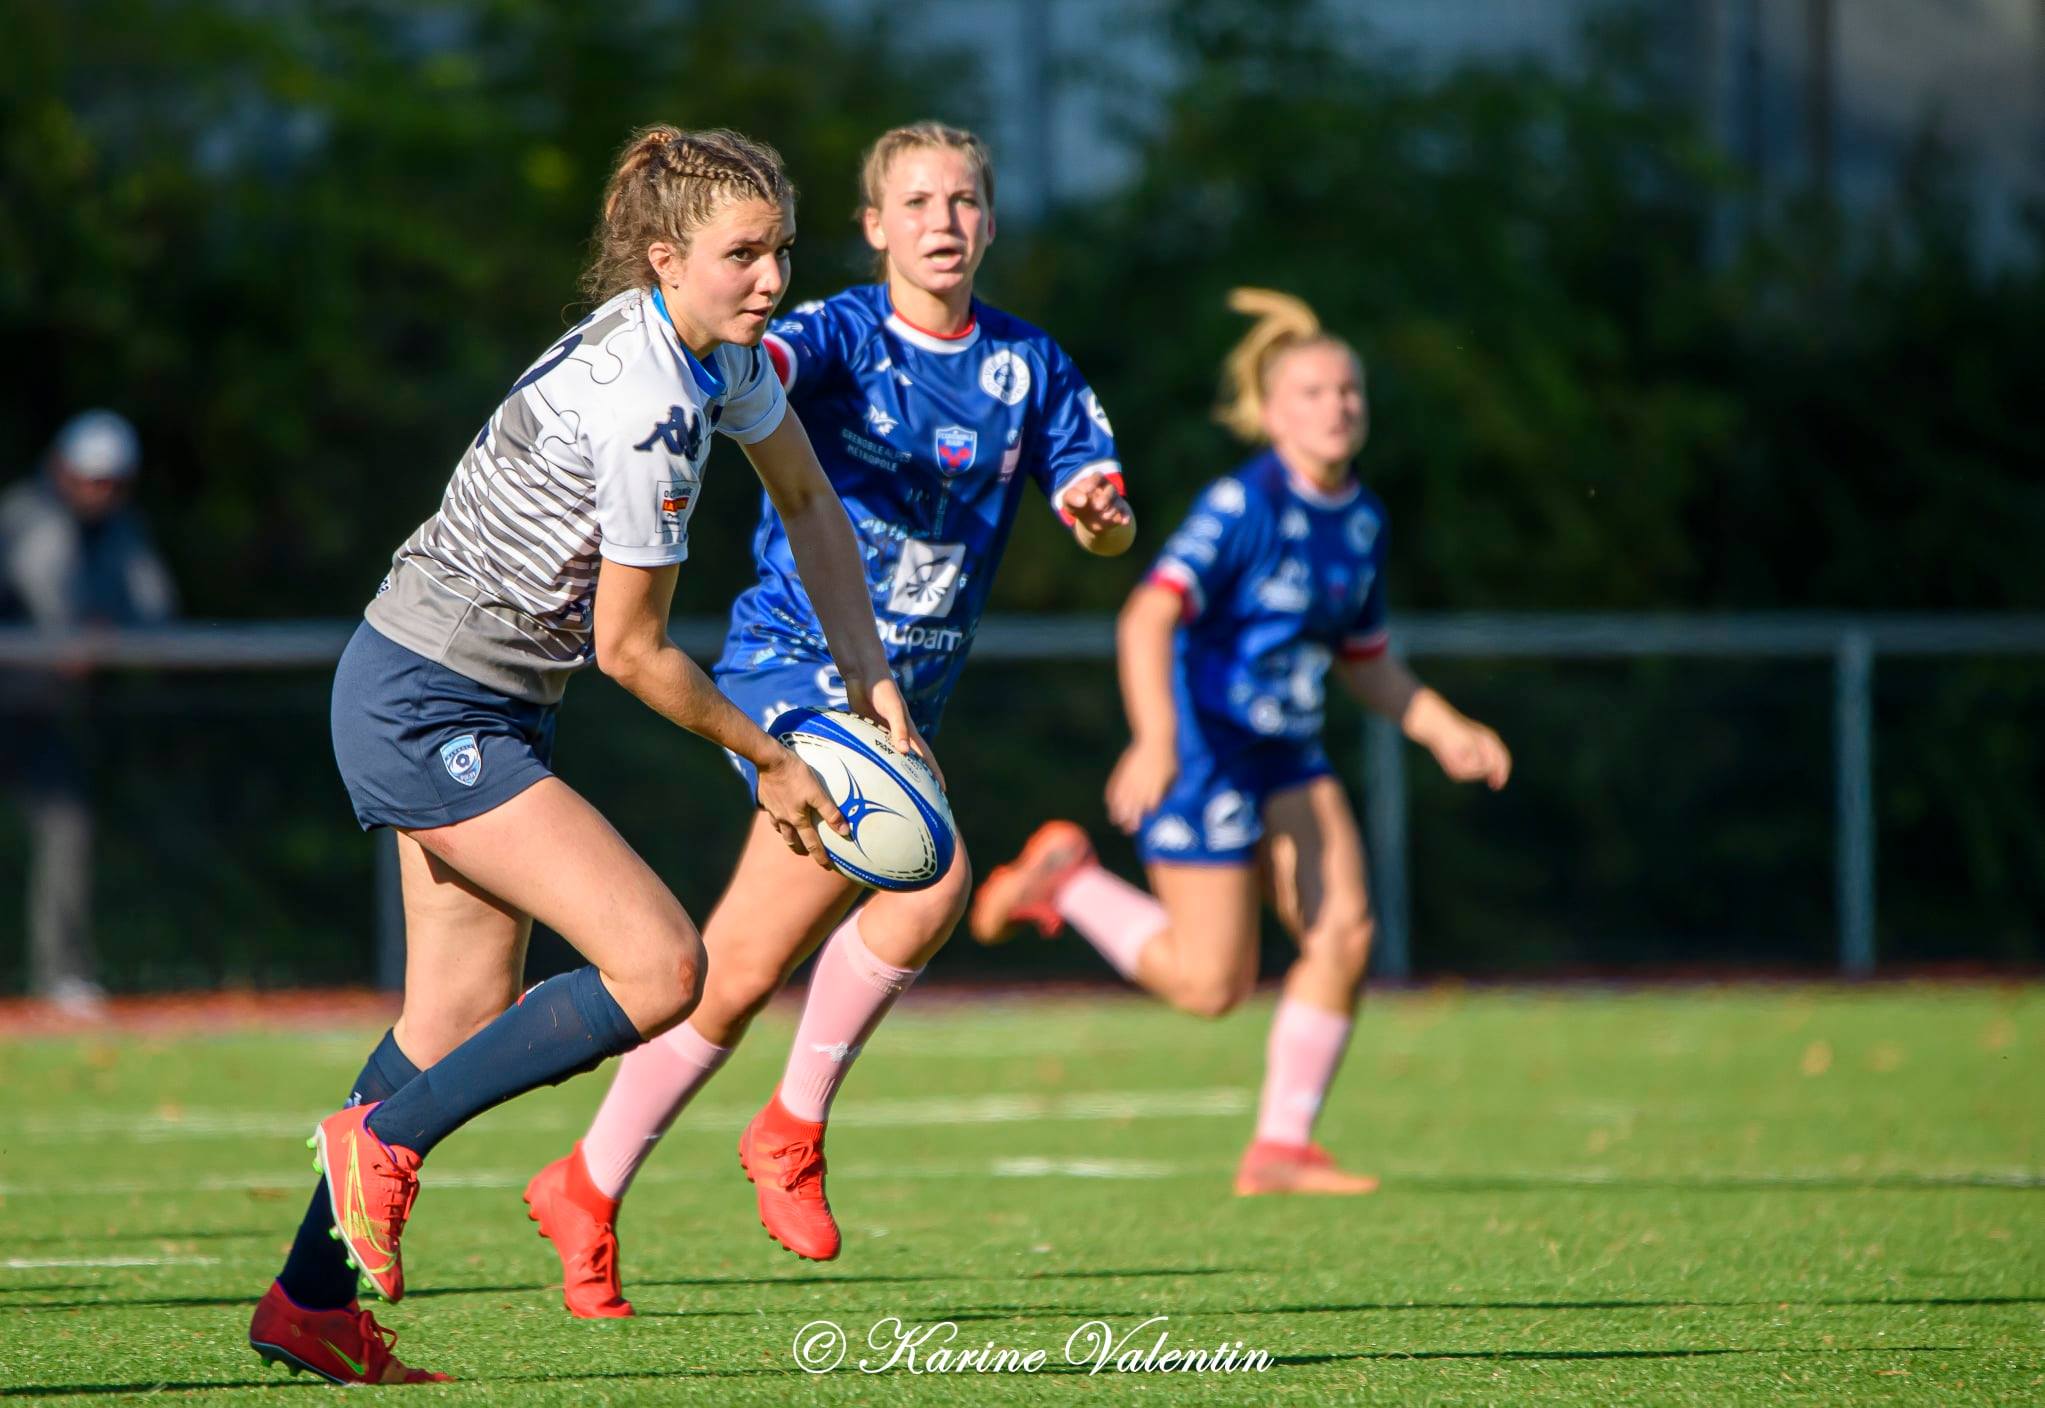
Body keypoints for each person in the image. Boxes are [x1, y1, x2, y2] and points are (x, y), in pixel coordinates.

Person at [246, 124, 922, 1386]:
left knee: (452, 1019)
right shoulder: (650, 403)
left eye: (781, 248)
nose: (770, 276)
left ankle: (308, 1301)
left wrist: (868, 669)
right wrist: (773, 758)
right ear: (665, 258)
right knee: (663, 965)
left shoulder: (715, 358)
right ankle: (378, 1144)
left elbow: (810, 500)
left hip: (480, 697)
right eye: (741, 254)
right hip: (425, 699)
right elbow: (632, 650)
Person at [521, 121, 1135, 1317]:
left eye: (962, 200)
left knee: (736, 969)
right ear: (873, 227)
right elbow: (747, 374)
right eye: (915, 202)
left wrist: (1102, 516)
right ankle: (789, 1129)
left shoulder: (1029, 364)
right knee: (932, 874)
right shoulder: (838, 334)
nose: (942, 221)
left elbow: (1091, 495)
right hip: (792, 665)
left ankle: (584, 1185)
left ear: (989, 222)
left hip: (903, 682)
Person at [973, 288, 1511, 1196]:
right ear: (1269, 413)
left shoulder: (1362, 519)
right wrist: (1155, 739)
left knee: (1344, 928)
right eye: (1311, 392)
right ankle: (1070, 883)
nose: (1336, 406)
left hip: (1287, 753)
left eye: (1348, 392)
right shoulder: (1241, 505)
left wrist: (1442, 726)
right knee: (1210, 985)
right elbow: (1147, 616)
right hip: (1205, 751)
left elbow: (1367, 662)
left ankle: (1280, 1148)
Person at [0, 410, 179, 1015]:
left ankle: (60, 976)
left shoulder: (121, 530)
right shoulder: (27, 517)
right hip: (13, 696)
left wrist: (105, 636)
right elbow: (48, 598)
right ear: (61, 469)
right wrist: (70, 637)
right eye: (89, 478)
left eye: (110, 481)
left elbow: (153, 608)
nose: (99, 491)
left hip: (42, 716)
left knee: (66, 832)